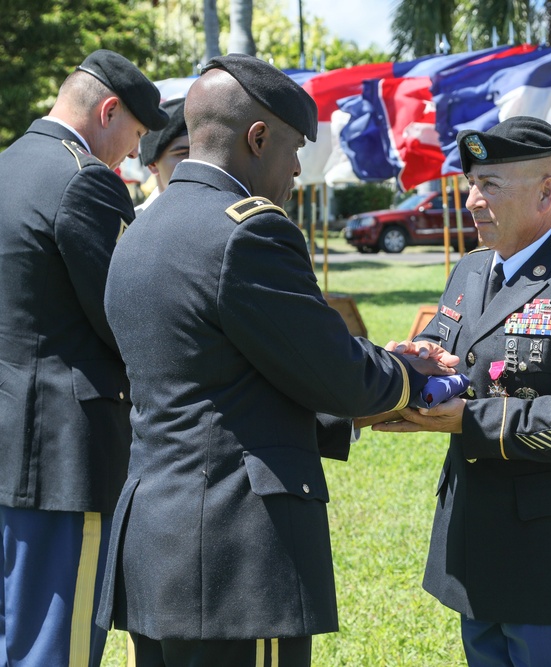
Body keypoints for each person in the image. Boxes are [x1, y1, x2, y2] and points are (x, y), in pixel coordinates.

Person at [95, 54, 453, 666]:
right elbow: (330, 370)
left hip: (159, 543)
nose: (294, 168)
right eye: (293, 148)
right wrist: (408, 377)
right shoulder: (247, 233)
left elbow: (225, 377)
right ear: (257, 137)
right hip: (235, 554)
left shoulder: (140, 233)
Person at [375, 116, 551, 667]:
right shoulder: (473, 269)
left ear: (548, 191)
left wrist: (467, 420)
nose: (472, 201)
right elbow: (446, 345)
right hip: (479, 546)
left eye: (490, 186)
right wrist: (417, 364)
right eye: (471, 184)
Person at [0, 49, 167, 667]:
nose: (132, 154)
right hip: (62, 461)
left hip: (10, 448)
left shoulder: (8, 166)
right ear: (108, 110)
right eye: (136, 136)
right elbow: (125, 319)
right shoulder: (84, 180)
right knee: (55, 651)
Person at [136, 97, 189, 212]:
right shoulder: (134, 224)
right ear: (153, 165)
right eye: (183, 153)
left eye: (200, 151)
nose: (195, 160)